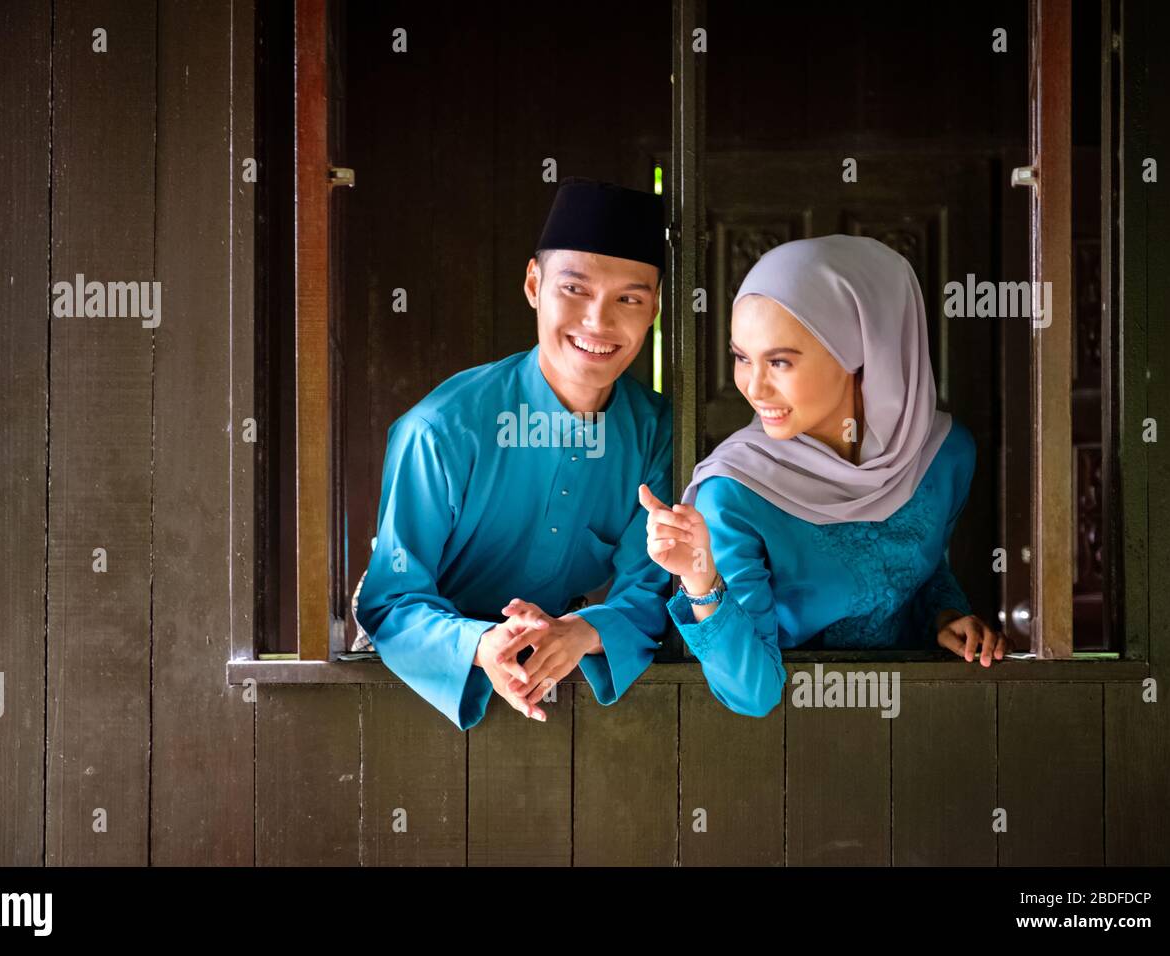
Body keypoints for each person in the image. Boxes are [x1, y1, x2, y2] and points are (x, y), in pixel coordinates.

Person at [640, 234, 1009, 718]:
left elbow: (927, 574)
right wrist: (700, 581)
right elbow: (754, 693)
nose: (752, 386)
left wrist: (945, 618)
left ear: (861, 349)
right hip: (796, 741)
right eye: (741, 357)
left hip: (918, 725)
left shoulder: (944, 455)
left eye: (779, 361)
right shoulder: (732, 493)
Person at [355, 178, 673, 730]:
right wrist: (484, 643)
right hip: (414, 668)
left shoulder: (657, 432)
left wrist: (583, 630)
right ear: (533, 284)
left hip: (555, 656)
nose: (599, 322)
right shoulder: (441, 430)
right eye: (574, 290)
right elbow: (390, 600)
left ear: (656, 309)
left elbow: (653, 587)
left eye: (629, 298)